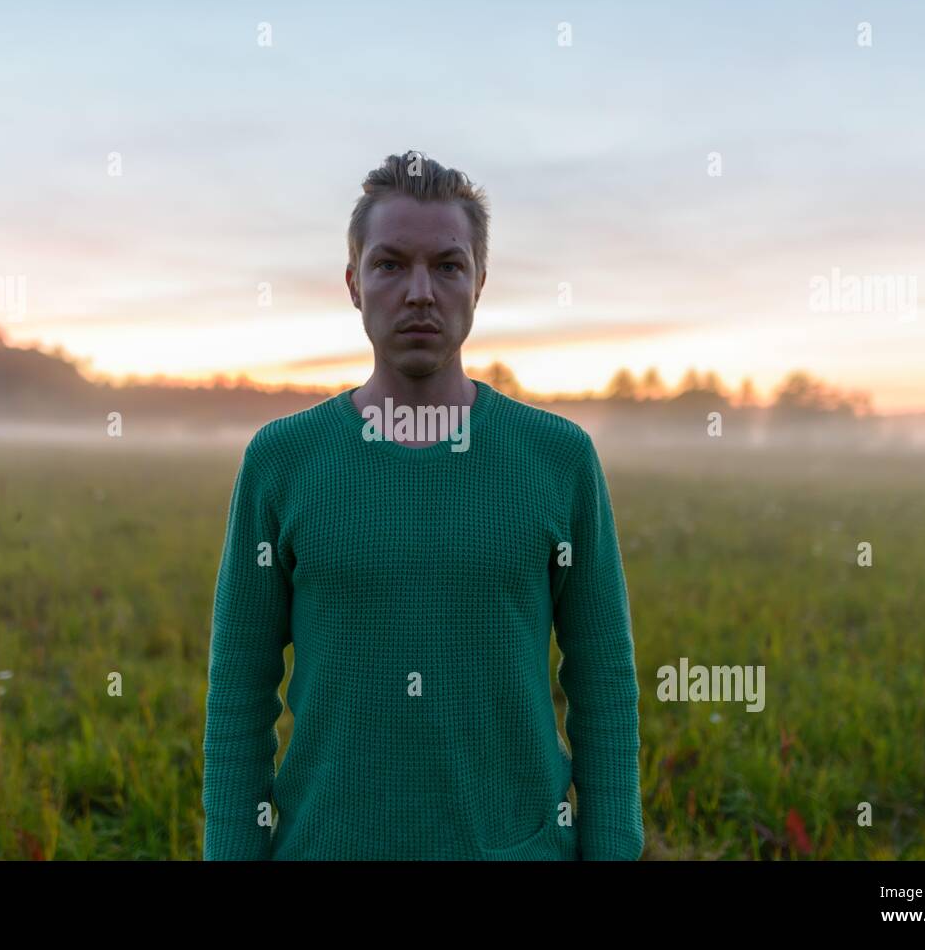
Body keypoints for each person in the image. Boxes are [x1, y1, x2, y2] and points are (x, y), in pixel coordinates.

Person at [202, 150, 644, 860]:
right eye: (390, 264)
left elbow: (603, 683)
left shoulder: (559, 459)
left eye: (447, 265)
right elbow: (238, 694)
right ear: (353, 282)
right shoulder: (280, 462)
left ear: (480, 283)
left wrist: (613, 845)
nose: (419, 292)